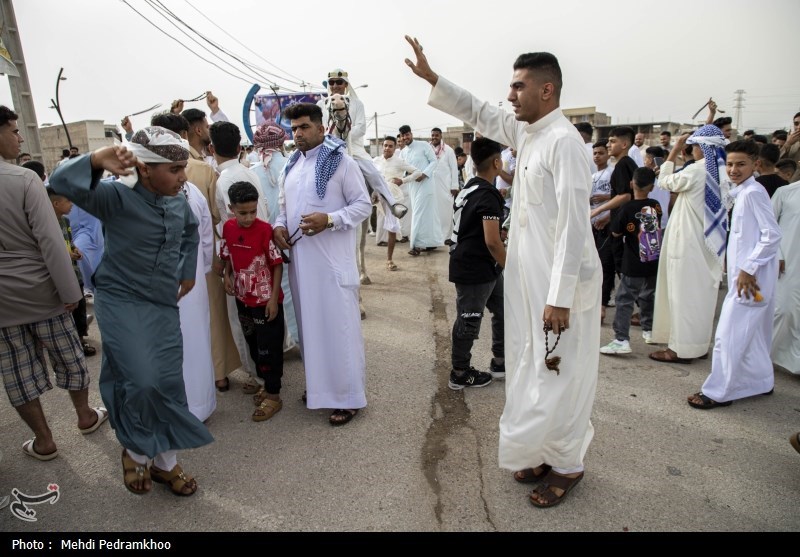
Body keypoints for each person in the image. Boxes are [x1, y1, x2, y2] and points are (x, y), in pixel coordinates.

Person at [406, 37, 601, 507]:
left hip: (561, 286)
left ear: (547, 90)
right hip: (528, 280)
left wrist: (559, 296)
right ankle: (539, 450)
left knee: (562, 372)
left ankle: (568, 464)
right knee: (531, 369)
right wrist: (435, 80)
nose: (510, 96)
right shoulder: (529, 135)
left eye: (518, 87)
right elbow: (480, 113)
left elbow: (575, 228)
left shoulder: (564, 143)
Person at [49, 126, 213, 495]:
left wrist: (187, 269)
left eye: (183, 168)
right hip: (121, 300)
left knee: (169, 382)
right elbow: (60, 182)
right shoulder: (114, 198)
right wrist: (93, 159)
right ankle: (137, 451)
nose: (183, 177)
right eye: (174, 170)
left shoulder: (176, 199)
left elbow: (189, 231)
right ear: (145, 169)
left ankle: (166, 464)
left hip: (161, 303)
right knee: (141, 380)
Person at [0, 105, 108, 462]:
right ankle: (85, 416)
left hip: (4, 303)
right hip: (43, 290)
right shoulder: (24, 180)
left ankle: (44, 440)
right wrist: (70, 291)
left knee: (17, 373)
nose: (18, 137)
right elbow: (50, 240)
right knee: (69, 356)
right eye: (14, 130)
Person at [273, 103, 371, 426]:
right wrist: (278, 227)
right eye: (294, 129)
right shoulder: (291, 165)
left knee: (339, 329)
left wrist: (330, 219)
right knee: (311, 329)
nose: (297, 133)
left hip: (331, 265)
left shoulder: (341, 162)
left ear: (320, 128)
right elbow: (283, 205)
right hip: (302, 265)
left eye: (303, 127)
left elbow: (362, 205)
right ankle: (320, 390)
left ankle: (348, 397)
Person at [150, 111, 241, 393]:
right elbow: (217, 219)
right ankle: (217, 375)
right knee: (207, 319)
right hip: (201, 265)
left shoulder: (142, 175)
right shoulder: (201, 170)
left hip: (161, 273)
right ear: (187, 133)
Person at [687, 140, 781, 409]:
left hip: (750, 280)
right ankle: (761, 380)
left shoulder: (752, 193)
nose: (733, 169)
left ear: (756, 165)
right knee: (755, 333)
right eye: (729, 164)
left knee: (729, 335)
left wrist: (748, 270)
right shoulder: (744, 191)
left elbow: (771, 235)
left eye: (741, 164)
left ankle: (718, 392)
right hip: (748, 276)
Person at [649, 127, 727, 364]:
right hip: (708, 244)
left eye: (692, 146)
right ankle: (697, 346)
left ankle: (678, 350)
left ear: (701, 147)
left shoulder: (696, 170)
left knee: (681, 295)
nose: (689, 150)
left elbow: (664, 181)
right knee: (700, 297)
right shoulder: (722, 173)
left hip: (687, 243)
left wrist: (673, 149)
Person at [210, 120, 268, 391]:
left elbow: (229, 230)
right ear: (238, 147)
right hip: (261, 255)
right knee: (260, 319)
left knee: (245, 322)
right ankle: (265, 371)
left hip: (245, 260)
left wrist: (229, 269)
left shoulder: (224, 180)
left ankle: (258, 377)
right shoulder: (250, 172)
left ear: (212, 148)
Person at [221, 182, 285, 422]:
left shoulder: (265, 230)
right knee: (253, 343)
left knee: (269, 347)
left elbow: (277, 265)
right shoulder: (227, 228)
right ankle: (265, 383)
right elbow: (227, 255)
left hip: (265, 302)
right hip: (242, 299)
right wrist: (226, 275)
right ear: (231, 209)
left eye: (253, 211)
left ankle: (274, 394)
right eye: (242, 212)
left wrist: (272, 299)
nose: (248, 218)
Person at [448, 138, 506, 389]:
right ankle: (460, 373)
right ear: (497, 162)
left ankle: (501, 361)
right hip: (474, 268)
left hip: (487, 267)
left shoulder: (469, 188)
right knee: (469, 319)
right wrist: (510, 265)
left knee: (504, 311)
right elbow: (492, 241)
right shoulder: (487, 195)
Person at [600, 167, 662, 354]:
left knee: (624, 299)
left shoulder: (627, 208)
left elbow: (616, 231)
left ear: (631, 184)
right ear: (652, 187)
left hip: (632, 262)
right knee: (648, 295)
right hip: (653, 261)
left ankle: (621, 339)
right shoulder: (656, 205)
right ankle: (649, 329)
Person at [251, 119, 300, 349]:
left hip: (260, 243)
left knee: (271, 291)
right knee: (291, 289)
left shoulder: (251, 171)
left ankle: (279, 342)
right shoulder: (293, 165)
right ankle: (298, 339)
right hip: (290, 240)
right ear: (281, 141)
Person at [45, 188, 96, 357]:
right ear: (56, 203)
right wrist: (67, 253)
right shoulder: (45, 224)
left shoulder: (65, 222)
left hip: (75, 273)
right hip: (61, 275)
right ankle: (67, 345)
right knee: (65, 310)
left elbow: (69, 242)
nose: (72, 204)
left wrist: (75, 250)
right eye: (68, 201)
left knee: (80, 308)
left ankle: (81, 339)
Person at [591, 126, 638, 277]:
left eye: (612, 141)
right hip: (625, 223)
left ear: (624, 144)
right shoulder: (627, 163)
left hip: (622, 227)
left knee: (616, 265)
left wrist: (598, 211)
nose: (608, 145)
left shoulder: (622, 165)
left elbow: (625, 196)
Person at [373, 135, 421, 270]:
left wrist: (403, 180)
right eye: (385, 145)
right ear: (382, 146)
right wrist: (373, 194)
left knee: (392, 227)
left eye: (390, 146)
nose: (387, 148)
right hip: (378, 198)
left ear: (395, 148)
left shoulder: (399, 162)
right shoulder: (376, 161)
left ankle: (389, 259)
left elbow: (417, 172)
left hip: (393, 199)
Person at [770, 178, 800, 375]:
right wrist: (778, 254)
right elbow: (768, 224)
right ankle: (760, 357)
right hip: (789, 261)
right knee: (783, 310)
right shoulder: (786, 192)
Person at [399, 124, 441, 255]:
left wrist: (424, 174)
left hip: (426, 183)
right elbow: (402, 170)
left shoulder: (423, 145)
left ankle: (416, 245)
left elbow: (434, 161)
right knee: (425, 214)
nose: (405, 137)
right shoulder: (403, 152)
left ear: (411, 134)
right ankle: (431, 242)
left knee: (418, 212)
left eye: (407, 134)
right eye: (403, 136)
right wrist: (406, 176)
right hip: (413, 186)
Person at [589, 139, 615, 321]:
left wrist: (607, 216)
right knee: (592, 265)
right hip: (592, 224)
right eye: (595, 153)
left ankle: (603, 304)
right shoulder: (591, 176)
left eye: (601, 153)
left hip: (607, 224)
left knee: (606, 265)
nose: (597, 156)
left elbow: (622, 196)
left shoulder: (613, 173)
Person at [430, 127, 459, 245]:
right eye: (432, 135)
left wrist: (454, 186)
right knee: (433, 212)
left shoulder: (448, 150)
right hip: (431, 186)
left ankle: (447, 236)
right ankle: (435, 235)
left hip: (446, 187)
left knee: (446, 211)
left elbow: (454, 168)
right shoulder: (427, 149)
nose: (434, 137)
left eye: (436, 135)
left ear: (441, 136)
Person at [779, 112, 800, 183]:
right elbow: (776, 162)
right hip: (791, 188)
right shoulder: (791, 144)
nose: (799, 127)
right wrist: (787, 144)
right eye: (796, 124)